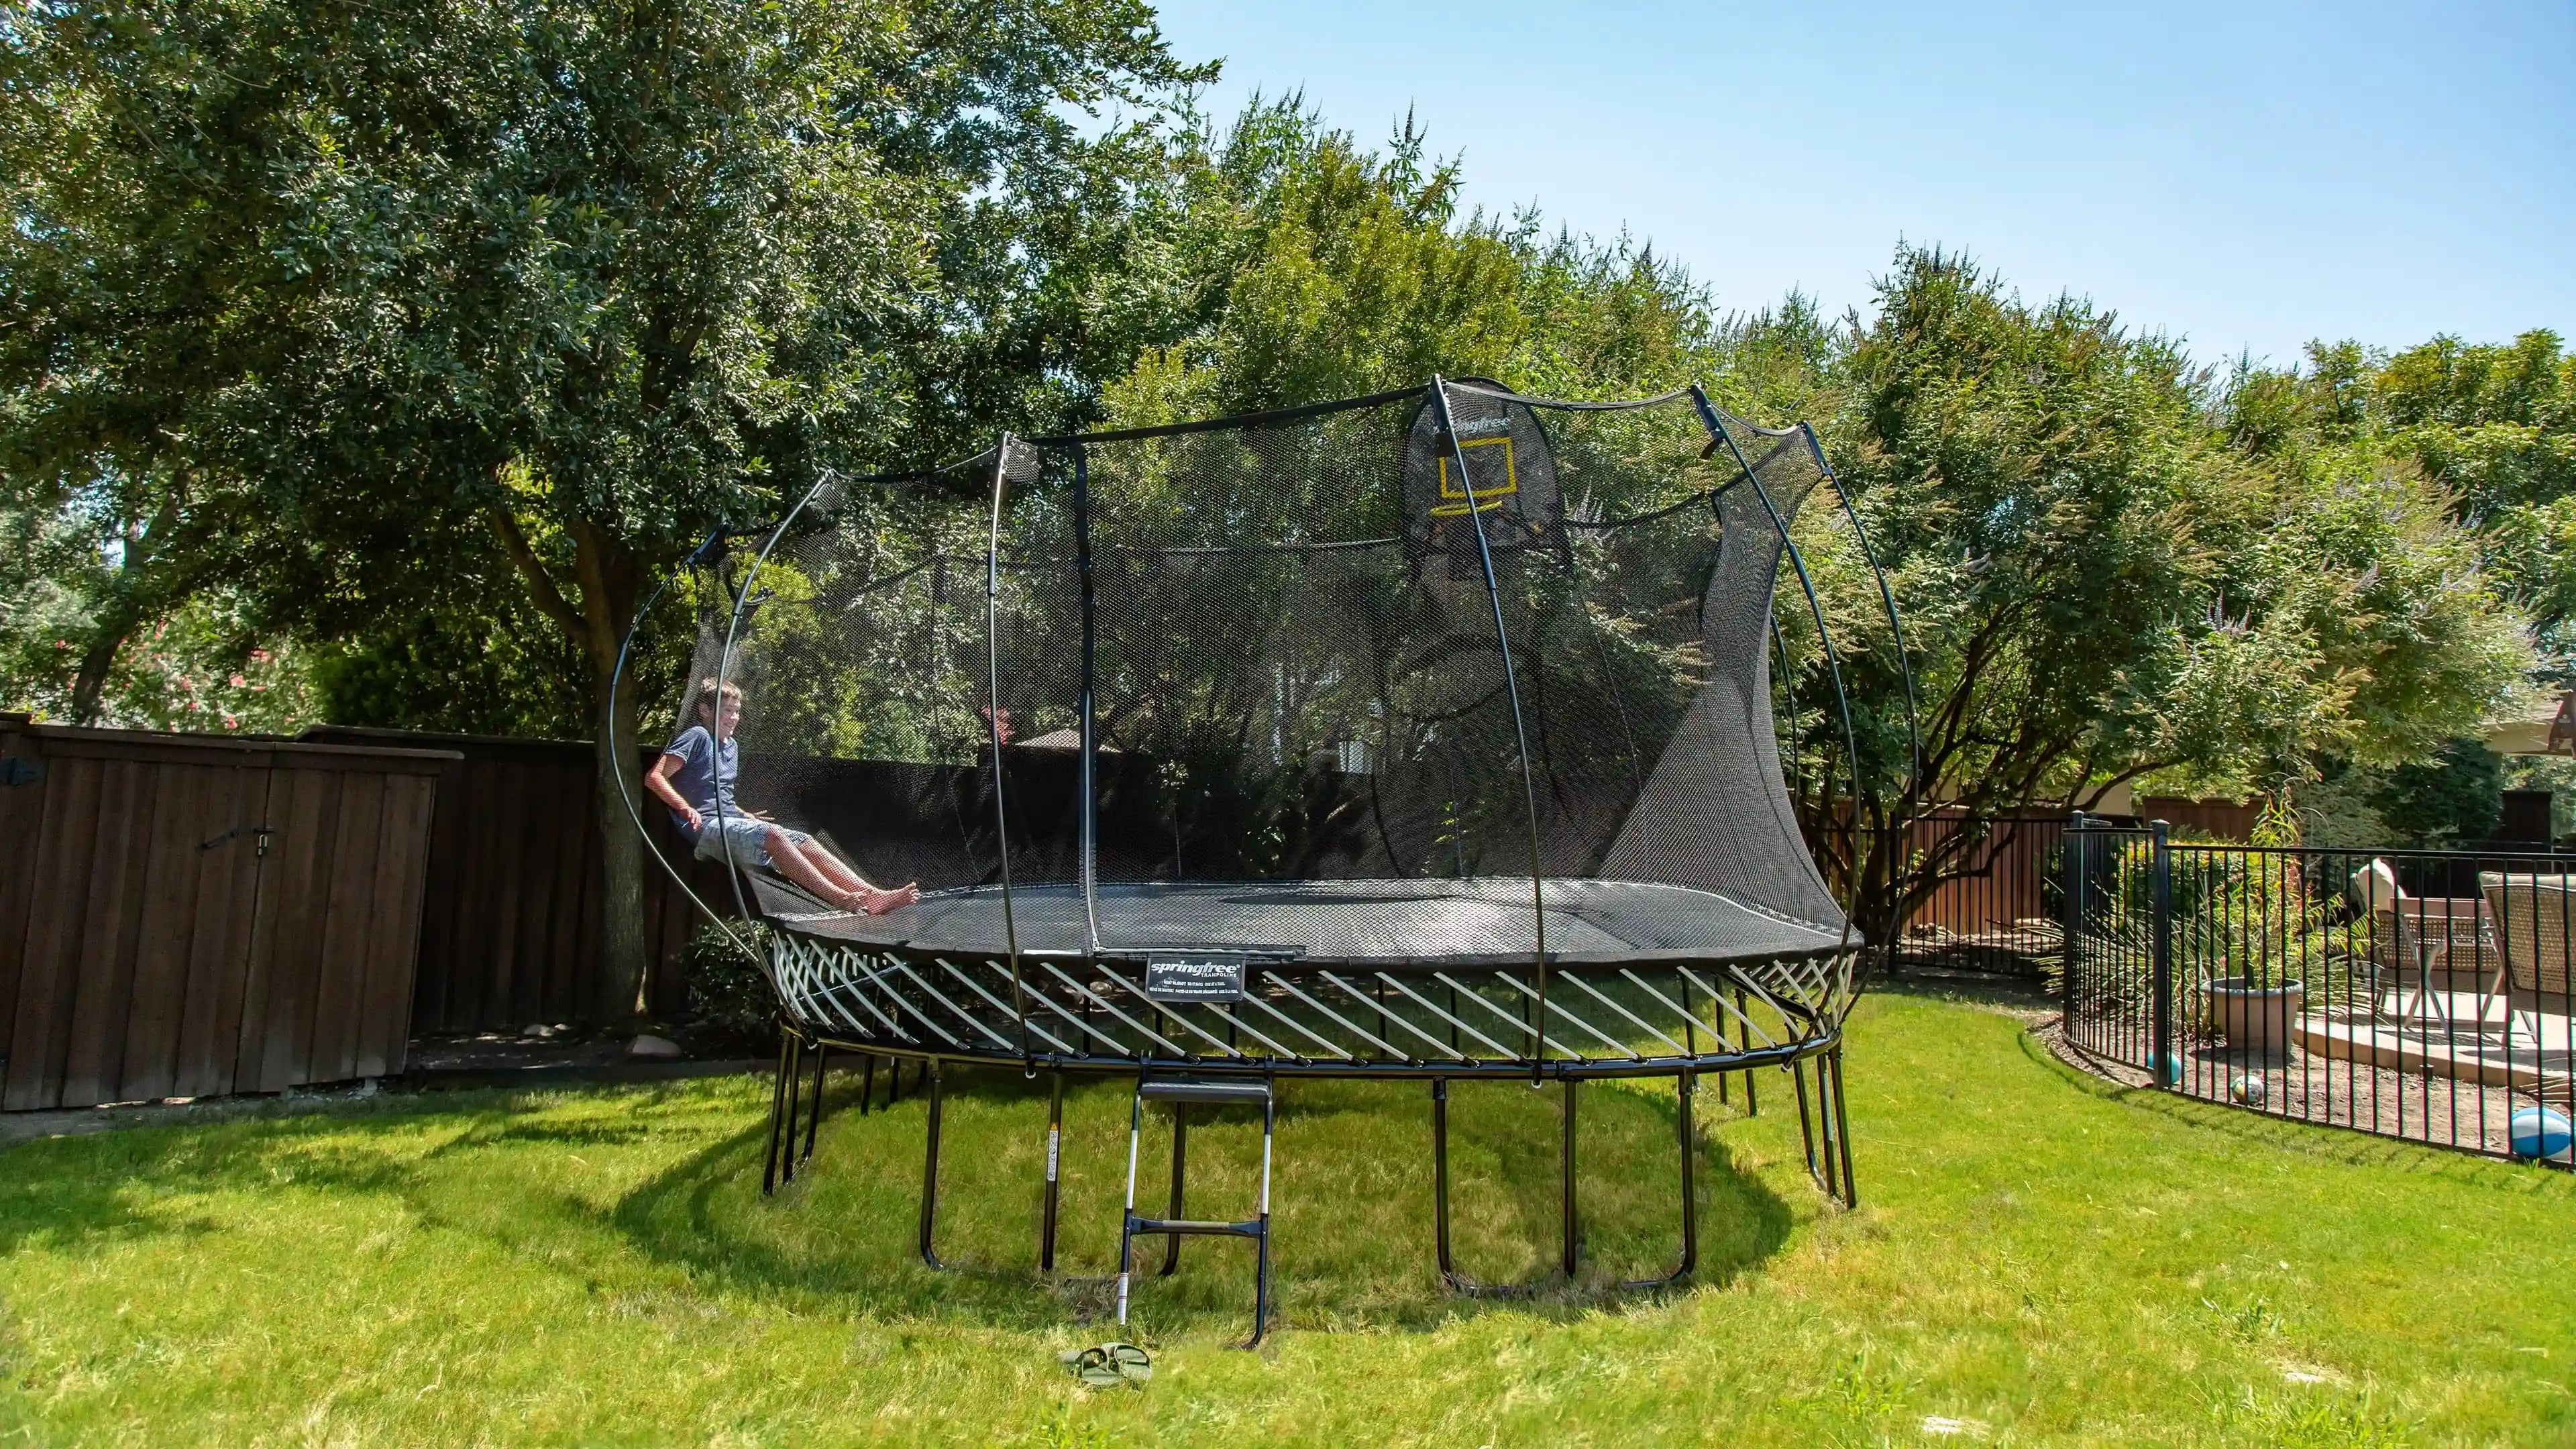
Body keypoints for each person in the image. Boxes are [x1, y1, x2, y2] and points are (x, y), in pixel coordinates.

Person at [645, 678, 920, 916]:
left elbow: (715, 790)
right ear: (705, 711)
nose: (733, 718)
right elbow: (655, 777)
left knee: (805, 842)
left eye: (737, 711)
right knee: (774, 835)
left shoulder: (731, 747)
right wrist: (683, 807)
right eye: (726, 711)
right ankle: (840, 898)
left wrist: (742, 814)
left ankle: (872, 895)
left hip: (727, 821)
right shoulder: (697, 736)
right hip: (703, 827)